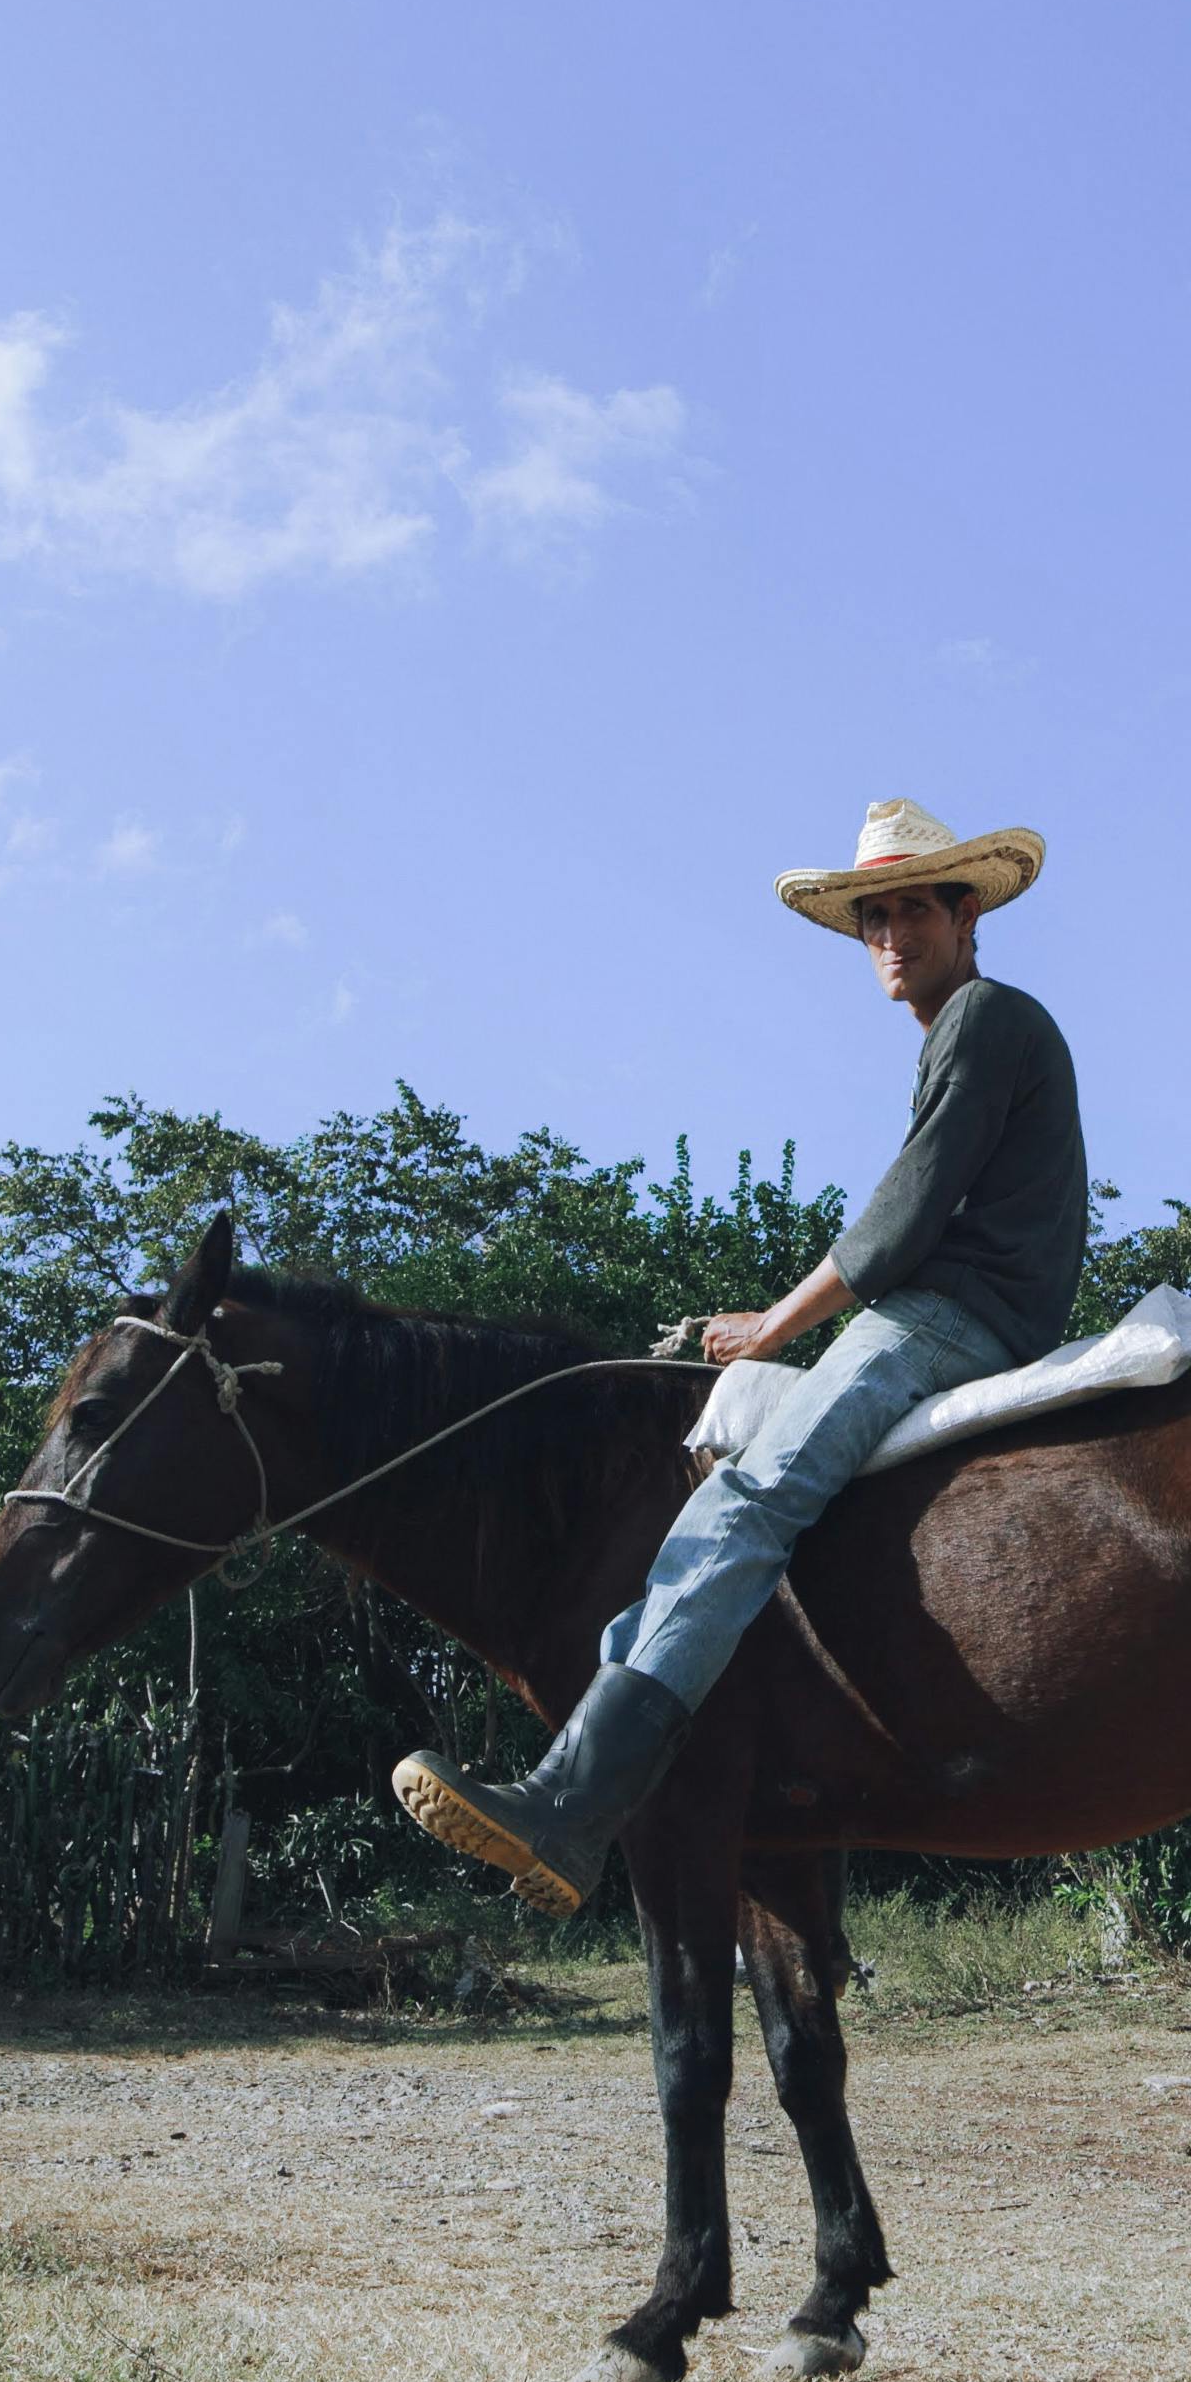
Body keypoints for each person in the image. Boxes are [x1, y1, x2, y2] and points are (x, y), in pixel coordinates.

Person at [394, 798, 1087, 1913]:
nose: (891, 938)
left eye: (913, 909)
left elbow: (901, 1219)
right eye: (872, 920)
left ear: (967, 917)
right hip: (970, 1311)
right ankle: (593, 1761)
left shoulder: (985, 1019)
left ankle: (574, 1803)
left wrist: (770, 1327)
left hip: (947, 1318)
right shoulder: (975, 1029)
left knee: (748, 1500)